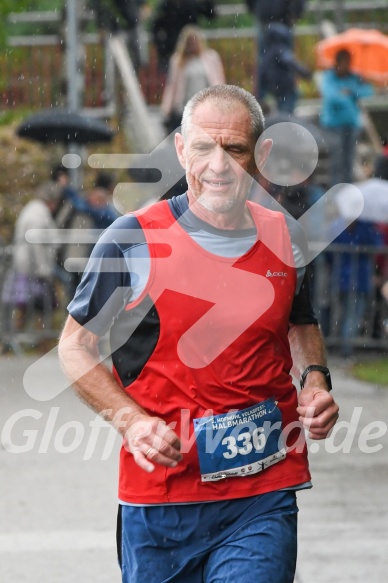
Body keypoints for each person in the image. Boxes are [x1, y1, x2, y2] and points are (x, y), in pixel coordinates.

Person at [58, 85, 339, 583]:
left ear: (262, 155)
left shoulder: (284, 235)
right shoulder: (133, 238)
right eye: (203, 147)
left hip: (263, 494)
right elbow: (75, 345)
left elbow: (300, 322)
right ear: (181, 148)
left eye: (234, 149)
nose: (218, 165)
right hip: (162, 501)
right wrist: (131, 421)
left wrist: (315, 379)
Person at [1, 182, 62, 338]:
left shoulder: (33, 210)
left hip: (27, 266)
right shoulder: (38, 214)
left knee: (26, 305)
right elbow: (37, 244)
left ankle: (20, 339)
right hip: (33, 268)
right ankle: (34, 339)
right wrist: (44, 269)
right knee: (36, 305)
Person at [320, 49, 374, 186]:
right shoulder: (328, 77)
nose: (347, 66)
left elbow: (368, 91)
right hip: (333, 126)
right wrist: (349, 95)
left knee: (349, 161)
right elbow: (332, 97)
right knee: (336, 160)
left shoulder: (354, 77)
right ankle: (334, 191)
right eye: (344, 62)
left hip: (351, 124)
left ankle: (347, 189)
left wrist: (353, 90)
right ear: (337, 62)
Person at [161, 25, 225, 134]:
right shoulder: (178, 61)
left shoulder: (210, 57)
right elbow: (172, 86)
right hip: (185, 108)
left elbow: (219, 80)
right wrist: (167, 109)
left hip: (206, 107)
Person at [245, 0, 307, 100]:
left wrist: (294, 12)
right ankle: (265, 99)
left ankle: (264, 99)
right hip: (273, 19)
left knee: (269, 63)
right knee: (275, 63)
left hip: (278, 19)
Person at [258, 22, 311, 114]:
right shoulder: (281, 50)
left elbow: (262, 73)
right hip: (286, 88)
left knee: (281, 111)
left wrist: (260, 94)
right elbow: (291, 62)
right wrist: (305, 73)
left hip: (275, 89)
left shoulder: (267, 54)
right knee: (287, 112)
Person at [151, 0, 216, 73]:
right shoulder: (167, 5)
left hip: (190, 54)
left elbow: (211, 14)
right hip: (172, 51)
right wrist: (162, 47)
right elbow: (156, 27)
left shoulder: (191, 4)